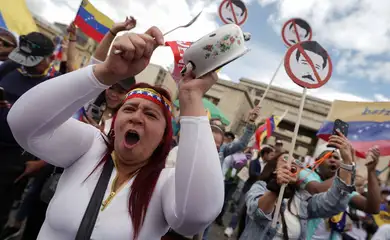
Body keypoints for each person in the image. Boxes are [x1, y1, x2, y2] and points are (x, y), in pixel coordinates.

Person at [7, 26, 224, 239]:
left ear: (164, 135)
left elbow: (197, 215)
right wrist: (106, 73)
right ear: (116, 121)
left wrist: (191, 96)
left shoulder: (166, 182)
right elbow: (23, 123)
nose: (136, 117)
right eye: (129, 109)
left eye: (150, 115)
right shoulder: (90, 146)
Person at [239, 133, 356, 240]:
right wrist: (276, 187)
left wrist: (347, 164)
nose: (291, 163)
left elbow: (334, 203)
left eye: (296, 162)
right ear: (274, 168)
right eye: (285, 159)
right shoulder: (260, 187)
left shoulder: (302, 199)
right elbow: (257, 213)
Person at [0, 31, 56, 230]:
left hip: (17, 158)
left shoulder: (54, 86)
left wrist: (41, 163)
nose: (27, 64)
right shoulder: (8, 68)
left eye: (34, 61)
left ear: (50, 58)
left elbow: (57, 129)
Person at [298, 139, 381, 240]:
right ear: (317, 162)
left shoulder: (343, 187)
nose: (332, 159)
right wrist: (348, 173)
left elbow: (373, 208)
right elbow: (316, 189)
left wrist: (371, 171)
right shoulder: (305, 173)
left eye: (336, 157)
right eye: (328, 156)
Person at [224, 146, 275, 237]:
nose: (272, 157)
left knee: (250, 214)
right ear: (265, 154)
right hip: (248, 189)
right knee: (239, 209)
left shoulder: (270, 167)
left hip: (260, 193)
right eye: (271, 155)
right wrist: (264, 176)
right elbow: (252, 174)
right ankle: (231, 227)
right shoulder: (254, 162)